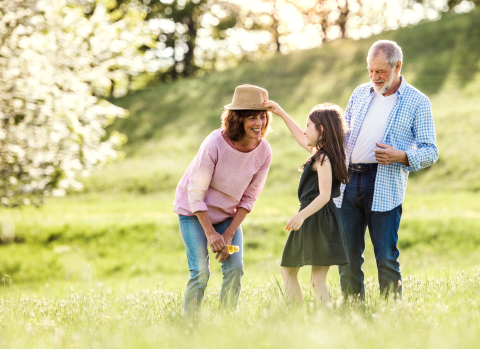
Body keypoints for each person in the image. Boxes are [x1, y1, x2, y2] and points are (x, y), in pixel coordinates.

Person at [335, 40, 439, 300]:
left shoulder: (418, 101)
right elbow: (343, 134)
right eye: (370, 71)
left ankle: (392, 315)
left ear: (398, 66)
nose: (374, 77)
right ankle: (352, 312)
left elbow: (431, 151)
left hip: (384, 185)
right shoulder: (360, 93)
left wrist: (401, 156)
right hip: (349, 182)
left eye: (380, 71)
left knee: (386, 257)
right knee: (347, 257)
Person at [173, 84, 273, 315]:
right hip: (193, 213)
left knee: (235, 267)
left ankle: (226, 323)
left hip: (228, 216)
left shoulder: (264, 151)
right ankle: (189, 326)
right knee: (200, 272)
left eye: (262, 116)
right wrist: (210, 233)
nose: (259, 123)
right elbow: (196, 193)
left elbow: (249, 198)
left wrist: (228, 233)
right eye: (252, 118)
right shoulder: (214, 143)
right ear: (237, 119)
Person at [264, 100, 349, 305]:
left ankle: (299, 317)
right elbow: (302, 137)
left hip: (315, 218)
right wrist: (282, 113)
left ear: (321, 129)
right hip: (321, 218)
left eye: (308, 126)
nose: (305, 131)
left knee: (290, 271)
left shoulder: (323, 159)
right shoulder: (323, 155)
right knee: (315, 279)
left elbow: (325, 195)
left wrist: (301, 215)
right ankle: (323, 320)